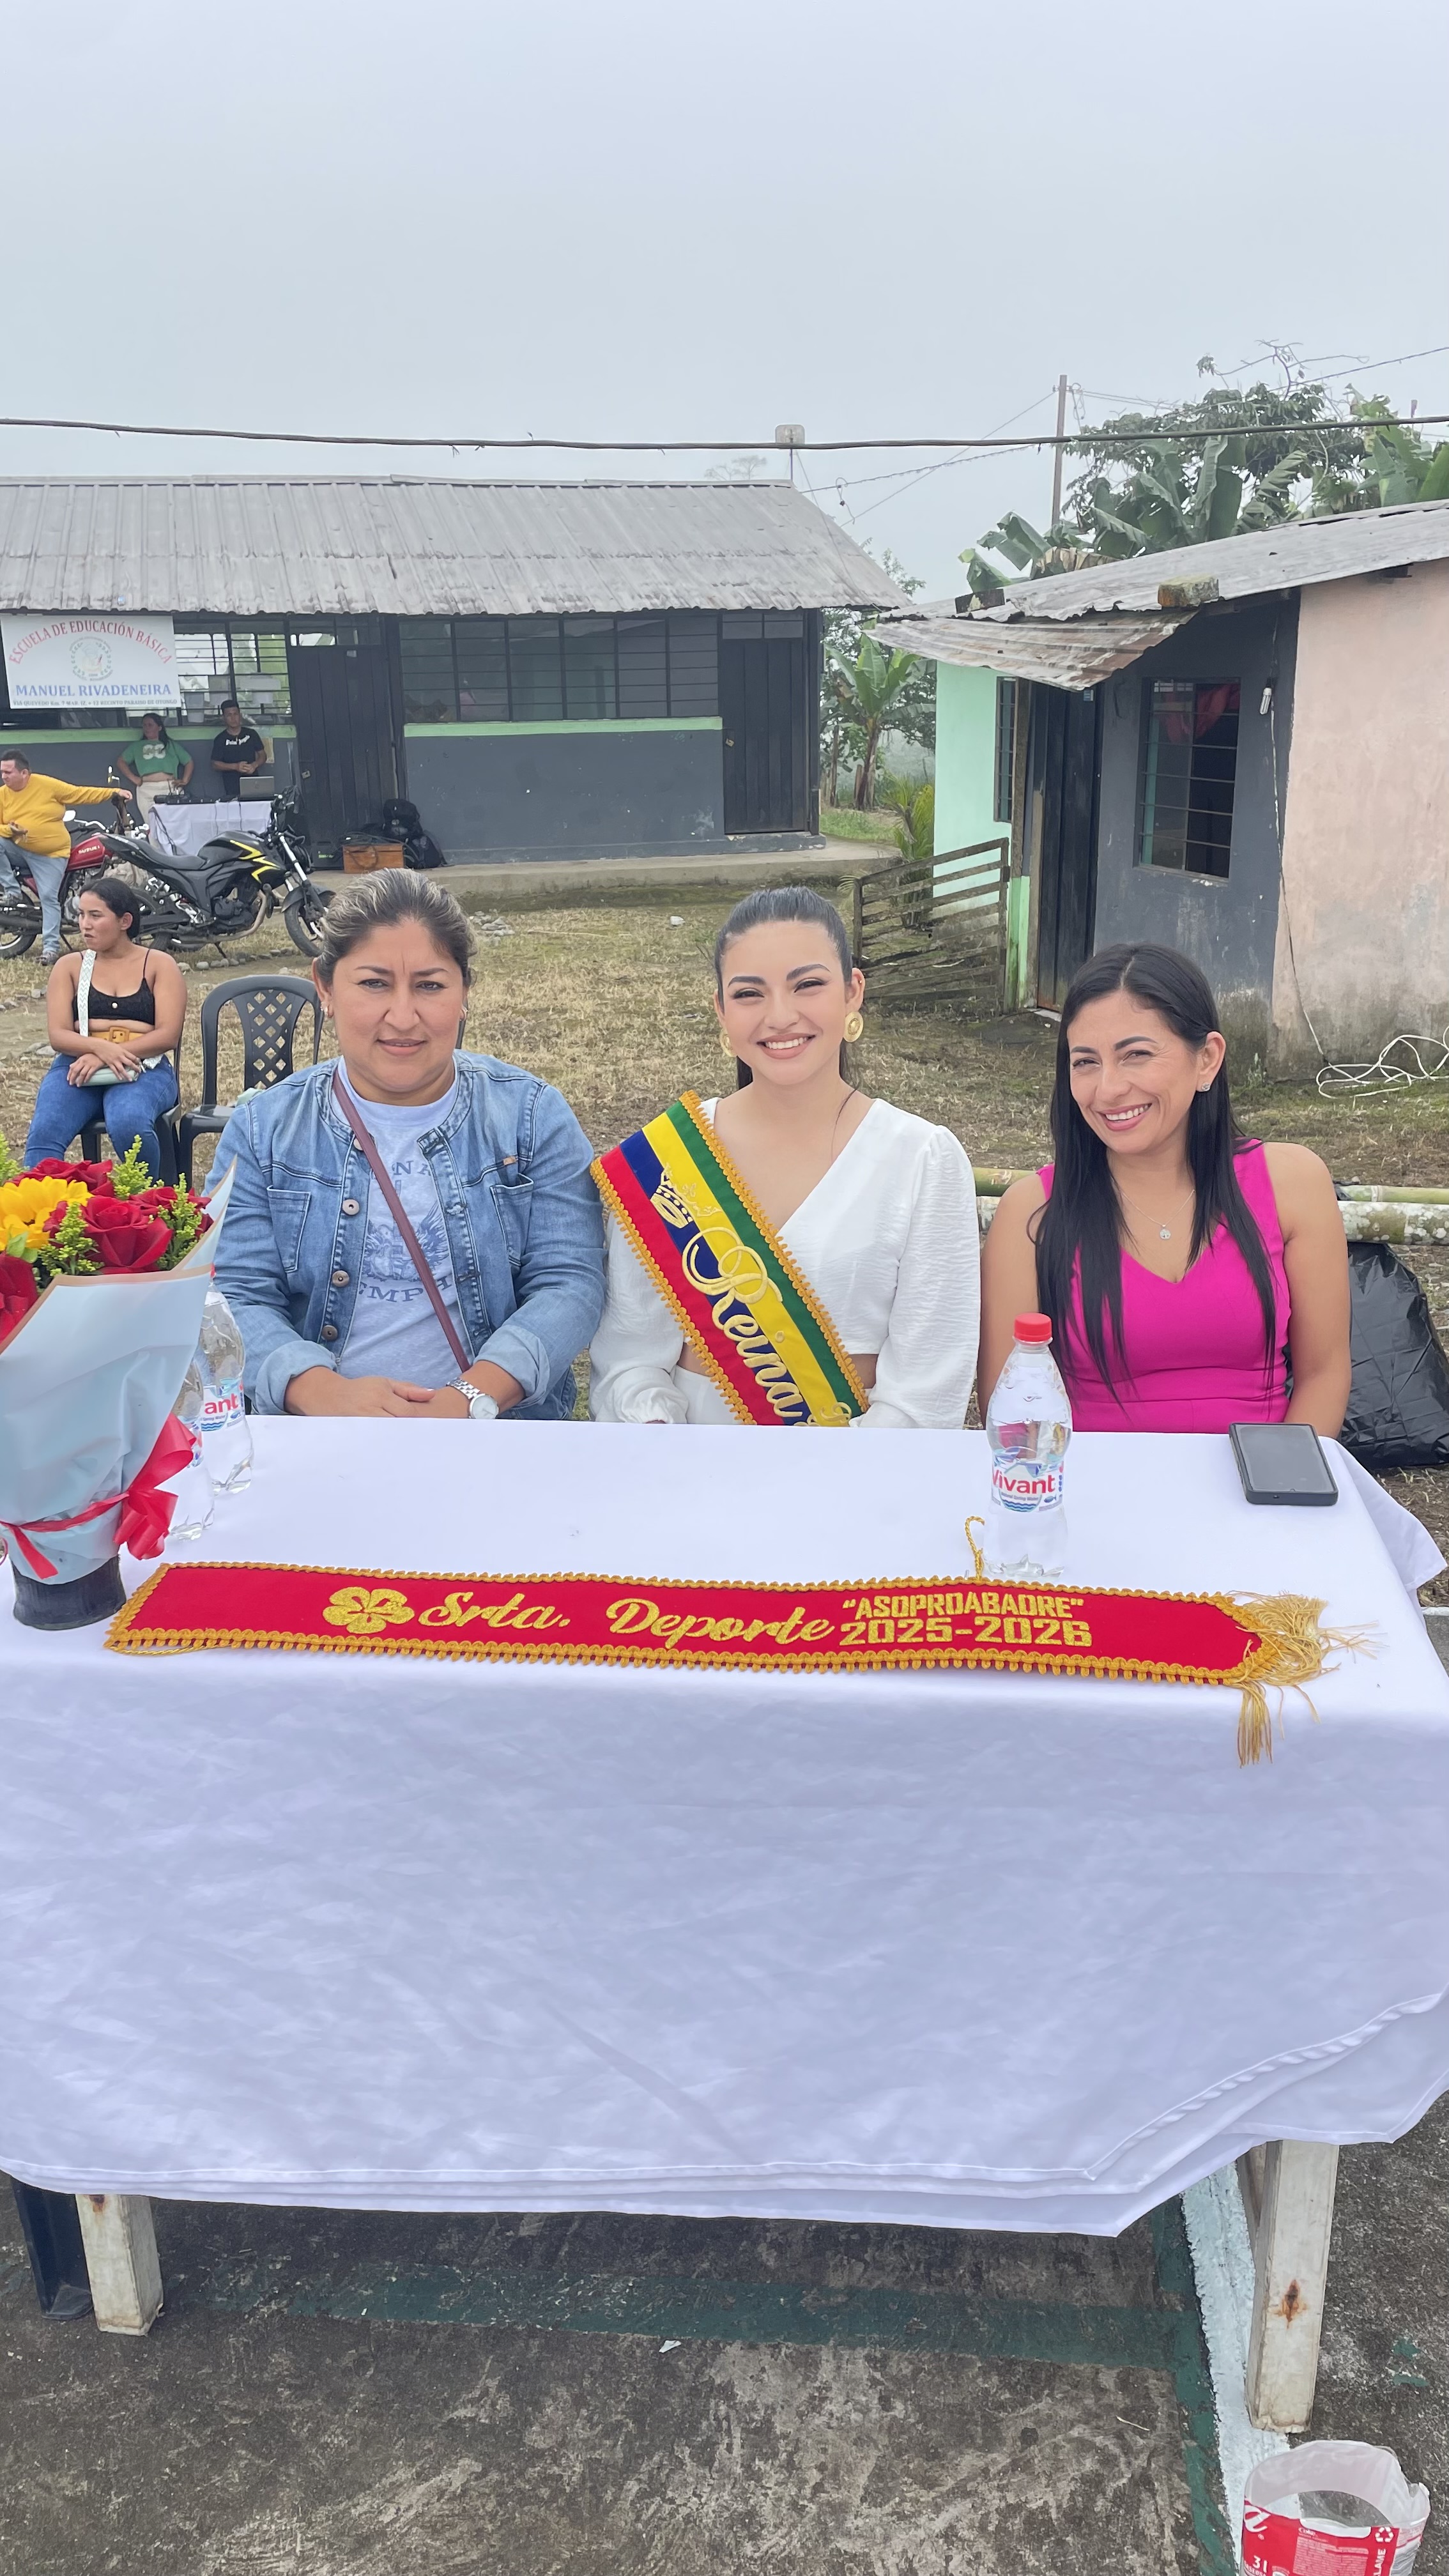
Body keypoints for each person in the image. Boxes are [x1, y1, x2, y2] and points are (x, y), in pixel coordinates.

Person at [214, 869, 604, 1419]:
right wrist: (320, 1392)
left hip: (494, 1434)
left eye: (430, 986)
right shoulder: (262, 1129)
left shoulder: (533, 1117)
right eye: (374, 984)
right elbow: (234, 1291)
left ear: (464, 992)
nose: (403, 1017)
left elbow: (570, 1283)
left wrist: (470, 1398)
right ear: (325, 988)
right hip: (317, 1438)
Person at [588, 885, 979, 1428]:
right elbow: (628, 1363)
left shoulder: (922, 1160)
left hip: (859, 1464)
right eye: (749, 994)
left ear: (853, 992)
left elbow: (927, 1389)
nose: (780, 1016)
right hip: (689, 1457)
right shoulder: (662, 1161)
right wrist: (665, 1444)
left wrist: (838, 1474)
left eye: (808, 985)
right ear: (721, 1011)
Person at [977, 942, 1351, 1433]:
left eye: (1136, 1055)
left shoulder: (1292, 1183)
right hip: (1093, 1479)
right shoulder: (1032, 1212)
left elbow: (1325, 1374)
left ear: (1207, 1059)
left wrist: (1284, 1477)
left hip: (1260, 1477)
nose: (1109, 1089)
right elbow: (1012, 1413)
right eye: (1085, 1062)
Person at [24, 875, 185, 1179]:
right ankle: (41, 1203)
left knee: (129, 1123)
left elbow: (167, 1035)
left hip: (143, 1066)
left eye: (96, 916)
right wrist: (100, 1049)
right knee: (45, 1132)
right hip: (77, 1064)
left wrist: (107, 1055)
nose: (85, 925)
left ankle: (148, 1198)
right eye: (81, 915)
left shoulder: (159, 964)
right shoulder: (69, 966)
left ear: (125, 921)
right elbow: (59, 1035)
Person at [0, 752, 133, 964]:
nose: (4, 776)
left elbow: (79, 794)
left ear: (24, 773)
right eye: (2, 772)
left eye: (8, 772)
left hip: (50, 855)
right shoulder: (3, 795)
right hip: (19, 849)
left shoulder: (46, 785)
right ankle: (12, 891)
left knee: (49, 898)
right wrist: (10, 831)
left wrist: (114, 792)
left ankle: (50, 949)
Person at [118, 713, 193, 822]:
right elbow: (121, 761)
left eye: (150, 725)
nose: (147, 728)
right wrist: (134, 779)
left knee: (175, 823)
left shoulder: (170, 745)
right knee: (151, 824)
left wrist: (185, 780)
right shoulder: (137, 746)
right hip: (147, 790)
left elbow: (189, 761)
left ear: (160, 727)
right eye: (144, 725)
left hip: (169, 787)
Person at [210, 700, 267, 806]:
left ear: (240, 715)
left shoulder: (251, 734)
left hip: (253, 783)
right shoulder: (220, 739)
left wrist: (254, 765)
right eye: (229, 715)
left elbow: (263, 756)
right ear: (223, 718)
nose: (233, 718)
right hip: (232, 786)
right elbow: (215, 764)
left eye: (235, 714)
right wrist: (236, 766)